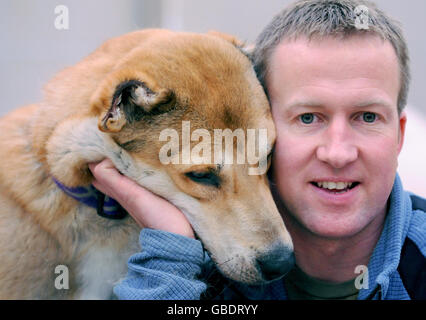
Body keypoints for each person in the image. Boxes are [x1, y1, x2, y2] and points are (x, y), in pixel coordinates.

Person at [89, 0, 426, 300]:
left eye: (367, 117)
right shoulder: (196, 267)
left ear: (398, 136)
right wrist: (171, 254)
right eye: (308, 117)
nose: (338, 153)